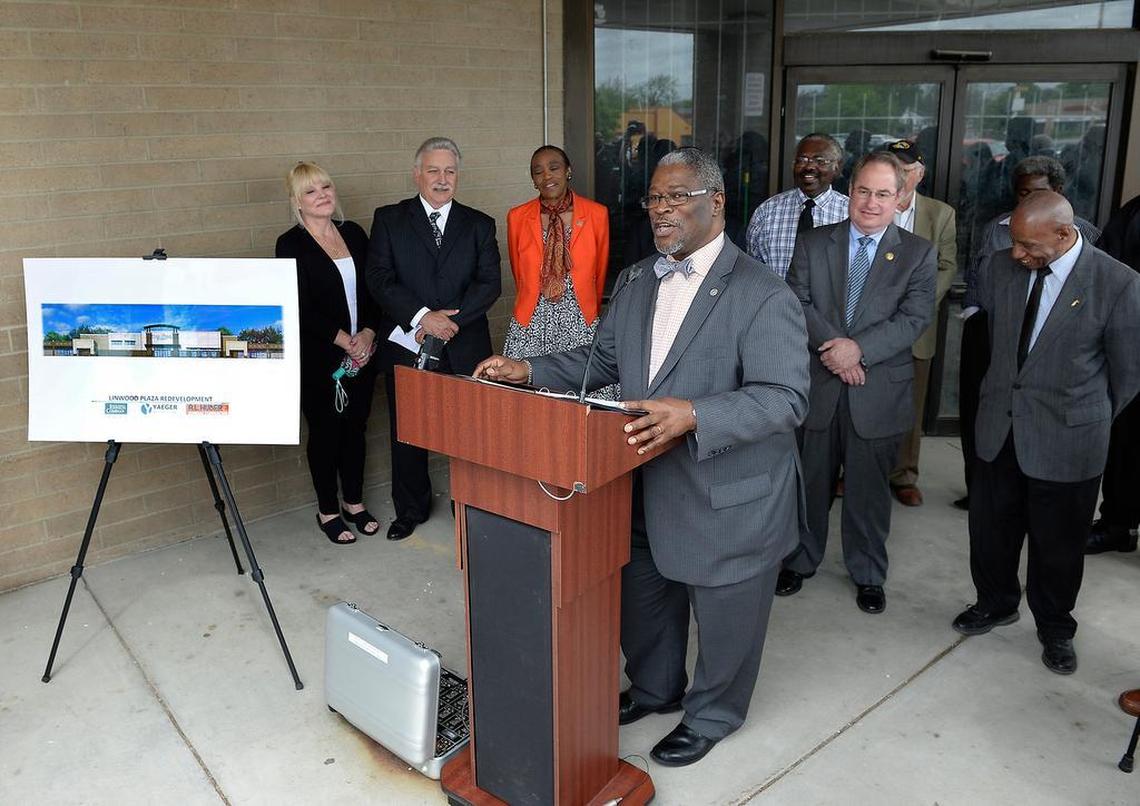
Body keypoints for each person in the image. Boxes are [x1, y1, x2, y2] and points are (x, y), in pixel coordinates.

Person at [474, 147, 810, 767]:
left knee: (726, 612)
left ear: (716, 202)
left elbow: (786, 397)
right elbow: (602, 363)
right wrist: (528, 368)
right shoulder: (636, 280)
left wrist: (697, 414)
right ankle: (657, 690)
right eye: (655, 197)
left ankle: (713, 714)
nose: (661, 208)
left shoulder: (762, 293)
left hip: (726, 490)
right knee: (646, 597)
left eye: (677, 196)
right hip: (641, 478)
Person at [952, 191, 1140, 675]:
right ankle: (995, 601)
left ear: (1064, 232)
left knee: (1059, 545)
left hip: (1069, 437)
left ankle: (1055, 627)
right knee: (991, 530)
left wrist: (1086, 416)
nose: (1018, 254)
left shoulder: (1117, 283)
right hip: (1000, 426)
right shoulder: (999, 268)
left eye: (1028, 245)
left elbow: (1129, 375)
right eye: (1014, 242)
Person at [782, 151, 937, 614]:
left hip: (878, 390)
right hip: (822, 386)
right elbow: (796, 299)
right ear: (851, 192)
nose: (871, 203)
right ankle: (800, 560)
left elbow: (914, 319)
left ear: (900, 198)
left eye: (883, 194)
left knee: (869, 494)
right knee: (810, 484)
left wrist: (859, 349)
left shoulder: (918, 254)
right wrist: (838, 348)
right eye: (864, 191)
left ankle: (868, 572)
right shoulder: (814, 242)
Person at [365, 137, 501, 542]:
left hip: (465, 343)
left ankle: (471, 505)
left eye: (450, 171)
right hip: (411, 340)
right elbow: (379, 278)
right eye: (434, 170)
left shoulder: (479, 223)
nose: (442, 179)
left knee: (469, 429)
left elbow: (489, 283)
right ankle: (411, 509)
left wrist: (447, 322)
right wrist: (424, 317)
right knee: (409, 431)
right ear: (417, 174)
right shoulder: (389, 219)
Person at [956, 156, 1101, 510]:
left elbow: (1124, 373)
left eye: (1034, 193)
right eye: (1020, 193)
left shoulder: (1091, 238)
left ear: (1058, 193)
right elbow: (979, 274)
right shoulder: (997, 228)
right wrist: (978, 319)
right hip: (998, 338)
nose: (1017, 254)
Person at [276, 161, 382, 545]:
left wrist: (368, 333)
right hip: (322, 358)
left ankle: (354, 502)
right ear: (297, 202)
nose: (321, 195)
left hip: (364, 353)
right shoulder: (290, 244)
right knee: (326, 434)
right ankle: (328, 510)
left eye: (325, 187)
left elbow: (374, 288)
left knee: (356, 428)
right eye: (310, 191)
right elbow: (298, 303)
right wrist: (343, 340)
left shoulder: (353, 233)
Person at [879, 140, 957, 508]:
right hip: (869, 325)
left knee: (910, 405)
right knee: (861, 400)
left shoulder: (940, 214)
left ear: (919, 174)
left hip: (916, 327)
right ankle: (853, 470)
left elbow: (947, 266)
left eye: (906, 171)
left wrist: (916, 308)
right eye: (892, 167)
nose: (899, 176)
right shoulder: (871, 204)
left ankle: (904, 474)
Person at [503, 145, 614, 397]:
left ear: (568, 171)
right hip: (532, 318)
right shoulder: (517, 217)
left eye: (554, 168)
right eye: (538, 171)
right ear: (533, 180)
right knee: (526, 395)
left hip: (579, 318)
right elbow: (518, 271)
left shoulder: (597, 214)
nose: (547, 176)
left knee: (587, 395)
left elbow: (600, 270)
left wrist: (586, 309)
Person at [1086, 193, 1140, 554]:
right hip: (1135, 346)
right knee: (1127, 444)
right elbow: (1103, 268)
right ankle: (1118, 524)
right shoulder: (1136, 213)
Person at [745, 133, 849, 279]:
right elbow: (753, 272)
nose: (809, 167)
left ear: (837, 167)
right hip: (776, 301)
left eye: (819, 161)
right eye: (802, 160)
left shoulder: (850, 214)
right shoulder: (767, 212)